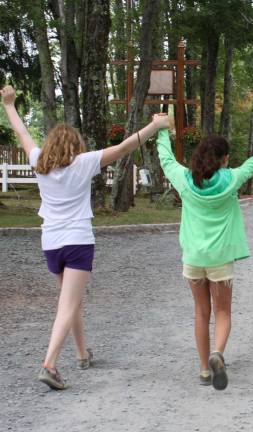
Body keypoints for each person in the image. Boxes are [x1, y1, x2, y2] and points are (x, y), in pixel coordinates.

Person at [0, 84, 169, 390]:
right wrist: (154, 126)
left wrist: (9, 105)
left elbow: (22, 132)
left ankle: (81, 354)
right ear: (75, 145)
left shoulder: (38, 161)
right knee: (67, 305)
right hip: (78, 241)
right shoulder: (84, 162)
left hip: (51, 243)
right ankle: (49, 364)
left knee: (71, 300)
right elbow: (124, 147)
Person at [156, 122, 253, 390]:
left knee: (200, 312)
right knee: (222, 312)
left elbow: (166, 159)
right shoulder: (232, 179)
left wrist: (162, 130)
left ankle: (204, 370)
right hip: (220, 260)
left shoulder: (184, 179)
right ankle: (217, 353)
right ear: (225, 159)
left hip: (193, 259)